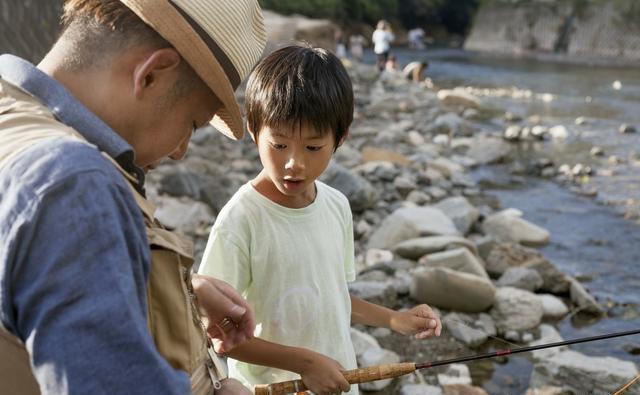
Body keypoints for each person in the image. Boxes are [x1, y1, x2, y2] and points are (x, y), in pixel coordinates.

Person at [0, 0, 267, 394]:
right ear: (152, 75)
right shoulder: (74, 185)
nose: (180, 150)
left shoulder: (14, 119)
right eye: (192, 123)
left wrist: (175, 290)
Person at [198, 45, 442, 395]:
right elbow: (220, 335)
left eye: (313, 148)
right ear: (253, 130)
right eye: (279, 145)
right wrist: (305, 363)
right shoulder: (241, 220)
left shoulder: (336, 205)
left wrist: (393, 319)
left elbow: (331, 298)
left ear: (340, 139)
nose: (293, 163)